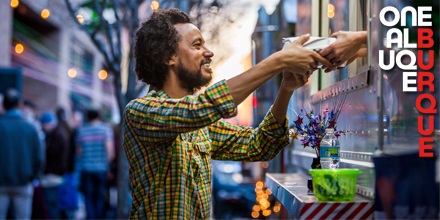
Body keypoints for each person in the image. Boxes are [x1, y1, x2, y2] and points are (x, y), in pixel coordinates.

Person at [123, 9, 332, 219]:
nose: (209, 52)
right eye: (197, 45)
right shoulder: (140, 112)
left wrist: (286, 88)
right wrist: (278, 61)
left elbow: (259, 145)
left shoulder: (201, 127)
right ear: (168, 57)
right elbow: (200, 109)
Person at [0, 88, 43, 219]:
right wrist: (34, 176)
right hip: (24, 181)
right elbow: (39, 157)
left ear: (3, 105)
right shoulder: (30, 127)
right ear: (20, 104)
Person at [76, 109, 115, 219]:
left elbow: (79, 152)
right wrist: (108, 166)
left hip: (86, 169)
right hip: (101, 169)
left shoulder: (82, 130)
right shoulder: (105, 130)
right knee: (100, 197)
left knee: (88, 197)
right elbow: (110, 151)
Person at [39, 111, 70, 219]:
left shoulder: (56, 136)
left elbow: (51, 155)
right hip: (55, 175)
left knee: (52, 206)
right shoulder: (58, 134)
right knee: (55, 205)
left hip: (52, 176)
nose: (42, 127)